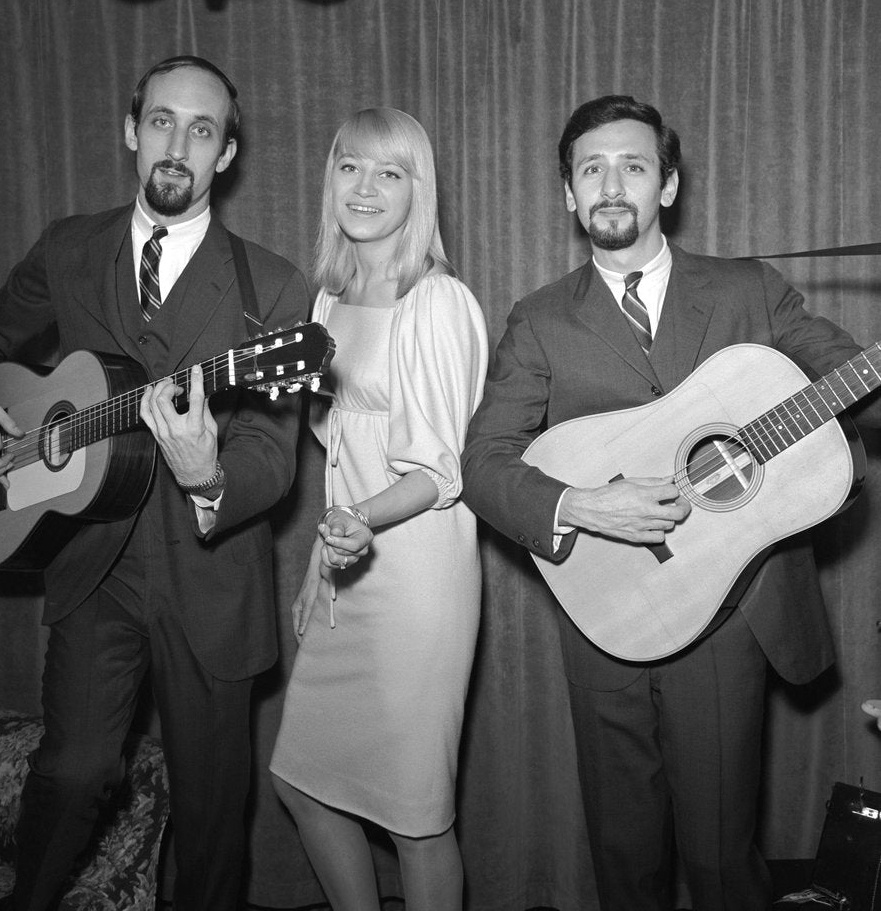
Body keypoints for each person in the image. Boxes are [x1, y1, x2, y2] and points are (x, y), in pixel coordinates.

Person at [460, 94, 881, 911]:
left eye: (634, 165)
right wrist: (579, 504)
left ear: (669, 185)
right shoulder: (541, 320)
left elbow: (838, 372)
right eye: (592, 169)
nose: (612, 184)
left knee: (724, 860)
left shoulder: (749, 289)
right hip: (604, 607)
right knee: (625, 859)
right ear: (568, 195)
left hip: (730, 611)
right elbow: (482, 463)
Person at [0, 55, 309, 911]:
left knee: (214, 818)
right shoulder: (70, 247)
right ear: (131, 132)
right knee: (71, 773)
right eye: (164, 122)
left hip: (209, 582)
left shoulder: (272, 287)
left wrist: (208, 472)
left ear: (228, 154)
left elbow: (273, 450)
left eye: (204, 129)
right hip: (92, 567)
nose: (179, 144)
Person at [269, 108, 488, 911]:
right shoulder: (326, 301)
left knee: (415, 814)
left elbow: (440, 471)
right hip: (346, 560)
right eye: (351, 167)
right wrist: (314, 570)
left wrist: (359, 520)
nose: (365, 187)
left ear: (417, 190)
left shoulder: (438, 301)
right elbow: (334, 455)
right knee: (303, 782)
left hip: (416, 570)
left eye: (390, 172)